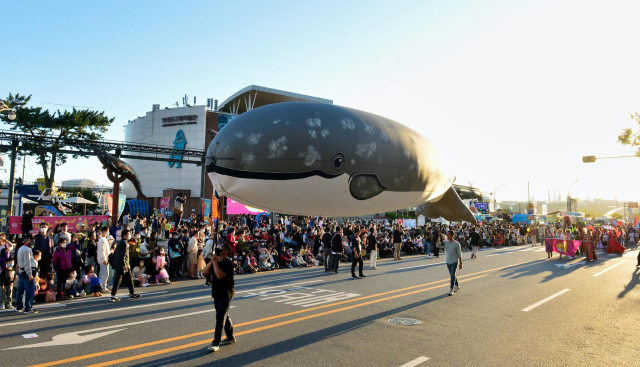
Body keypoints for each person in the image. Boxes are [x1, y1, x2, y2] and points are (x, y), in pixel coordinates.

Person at [204, 241, 236, 353]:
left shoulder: (228, 263)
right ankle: (231, 336)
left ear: (226, 251)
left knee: (220, 315)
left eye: (221, 248)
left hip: (226, 292)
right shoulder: (215, 261)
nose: (218, 249)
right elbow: (204, 271)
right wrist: (212, 261)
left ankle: (215, 342)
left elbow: (219, 275)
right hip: (217, 292)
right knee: (223, 314)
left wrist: (214, 262)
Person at [110, 229, 140, 302]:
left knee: (122, 279)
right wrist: (124, 264)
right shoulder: (124, 243)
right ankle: (130, 294)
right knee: (124, 279)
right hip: (123, 264)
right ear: (124, 235)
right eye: (128, 234)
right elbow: (122, 255)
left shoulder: (122, 242)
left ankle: (114, 295)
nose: (129, 235)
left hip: (120, 263)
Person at [16, 235, 38, 313]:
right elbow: (27, 263)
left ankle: (19, 307)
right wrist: (30, 274)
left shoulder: (21, 248)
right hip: (26, 272)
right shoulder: (27, 249)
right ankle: (28, 308)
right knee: (29, 290)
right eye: (32, 240)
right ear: (27, 240)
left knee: (20, 290)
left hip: (21, 271)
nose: (33, 242)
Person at [443, 230, 462, 296]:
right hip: (448, 261)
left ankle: (451, 289)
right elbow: (438, 245)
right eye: (447, 235)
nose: (448, 236)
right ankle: (457, 285)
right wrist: (438, 237)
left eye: (449, 235)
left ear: (452, 235)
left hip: (454, 261)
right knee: (452, 274)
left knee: (452, 275)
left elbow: (459, 254)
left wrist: (460, 263)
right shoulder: (445, 242)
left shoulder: (456, 244)